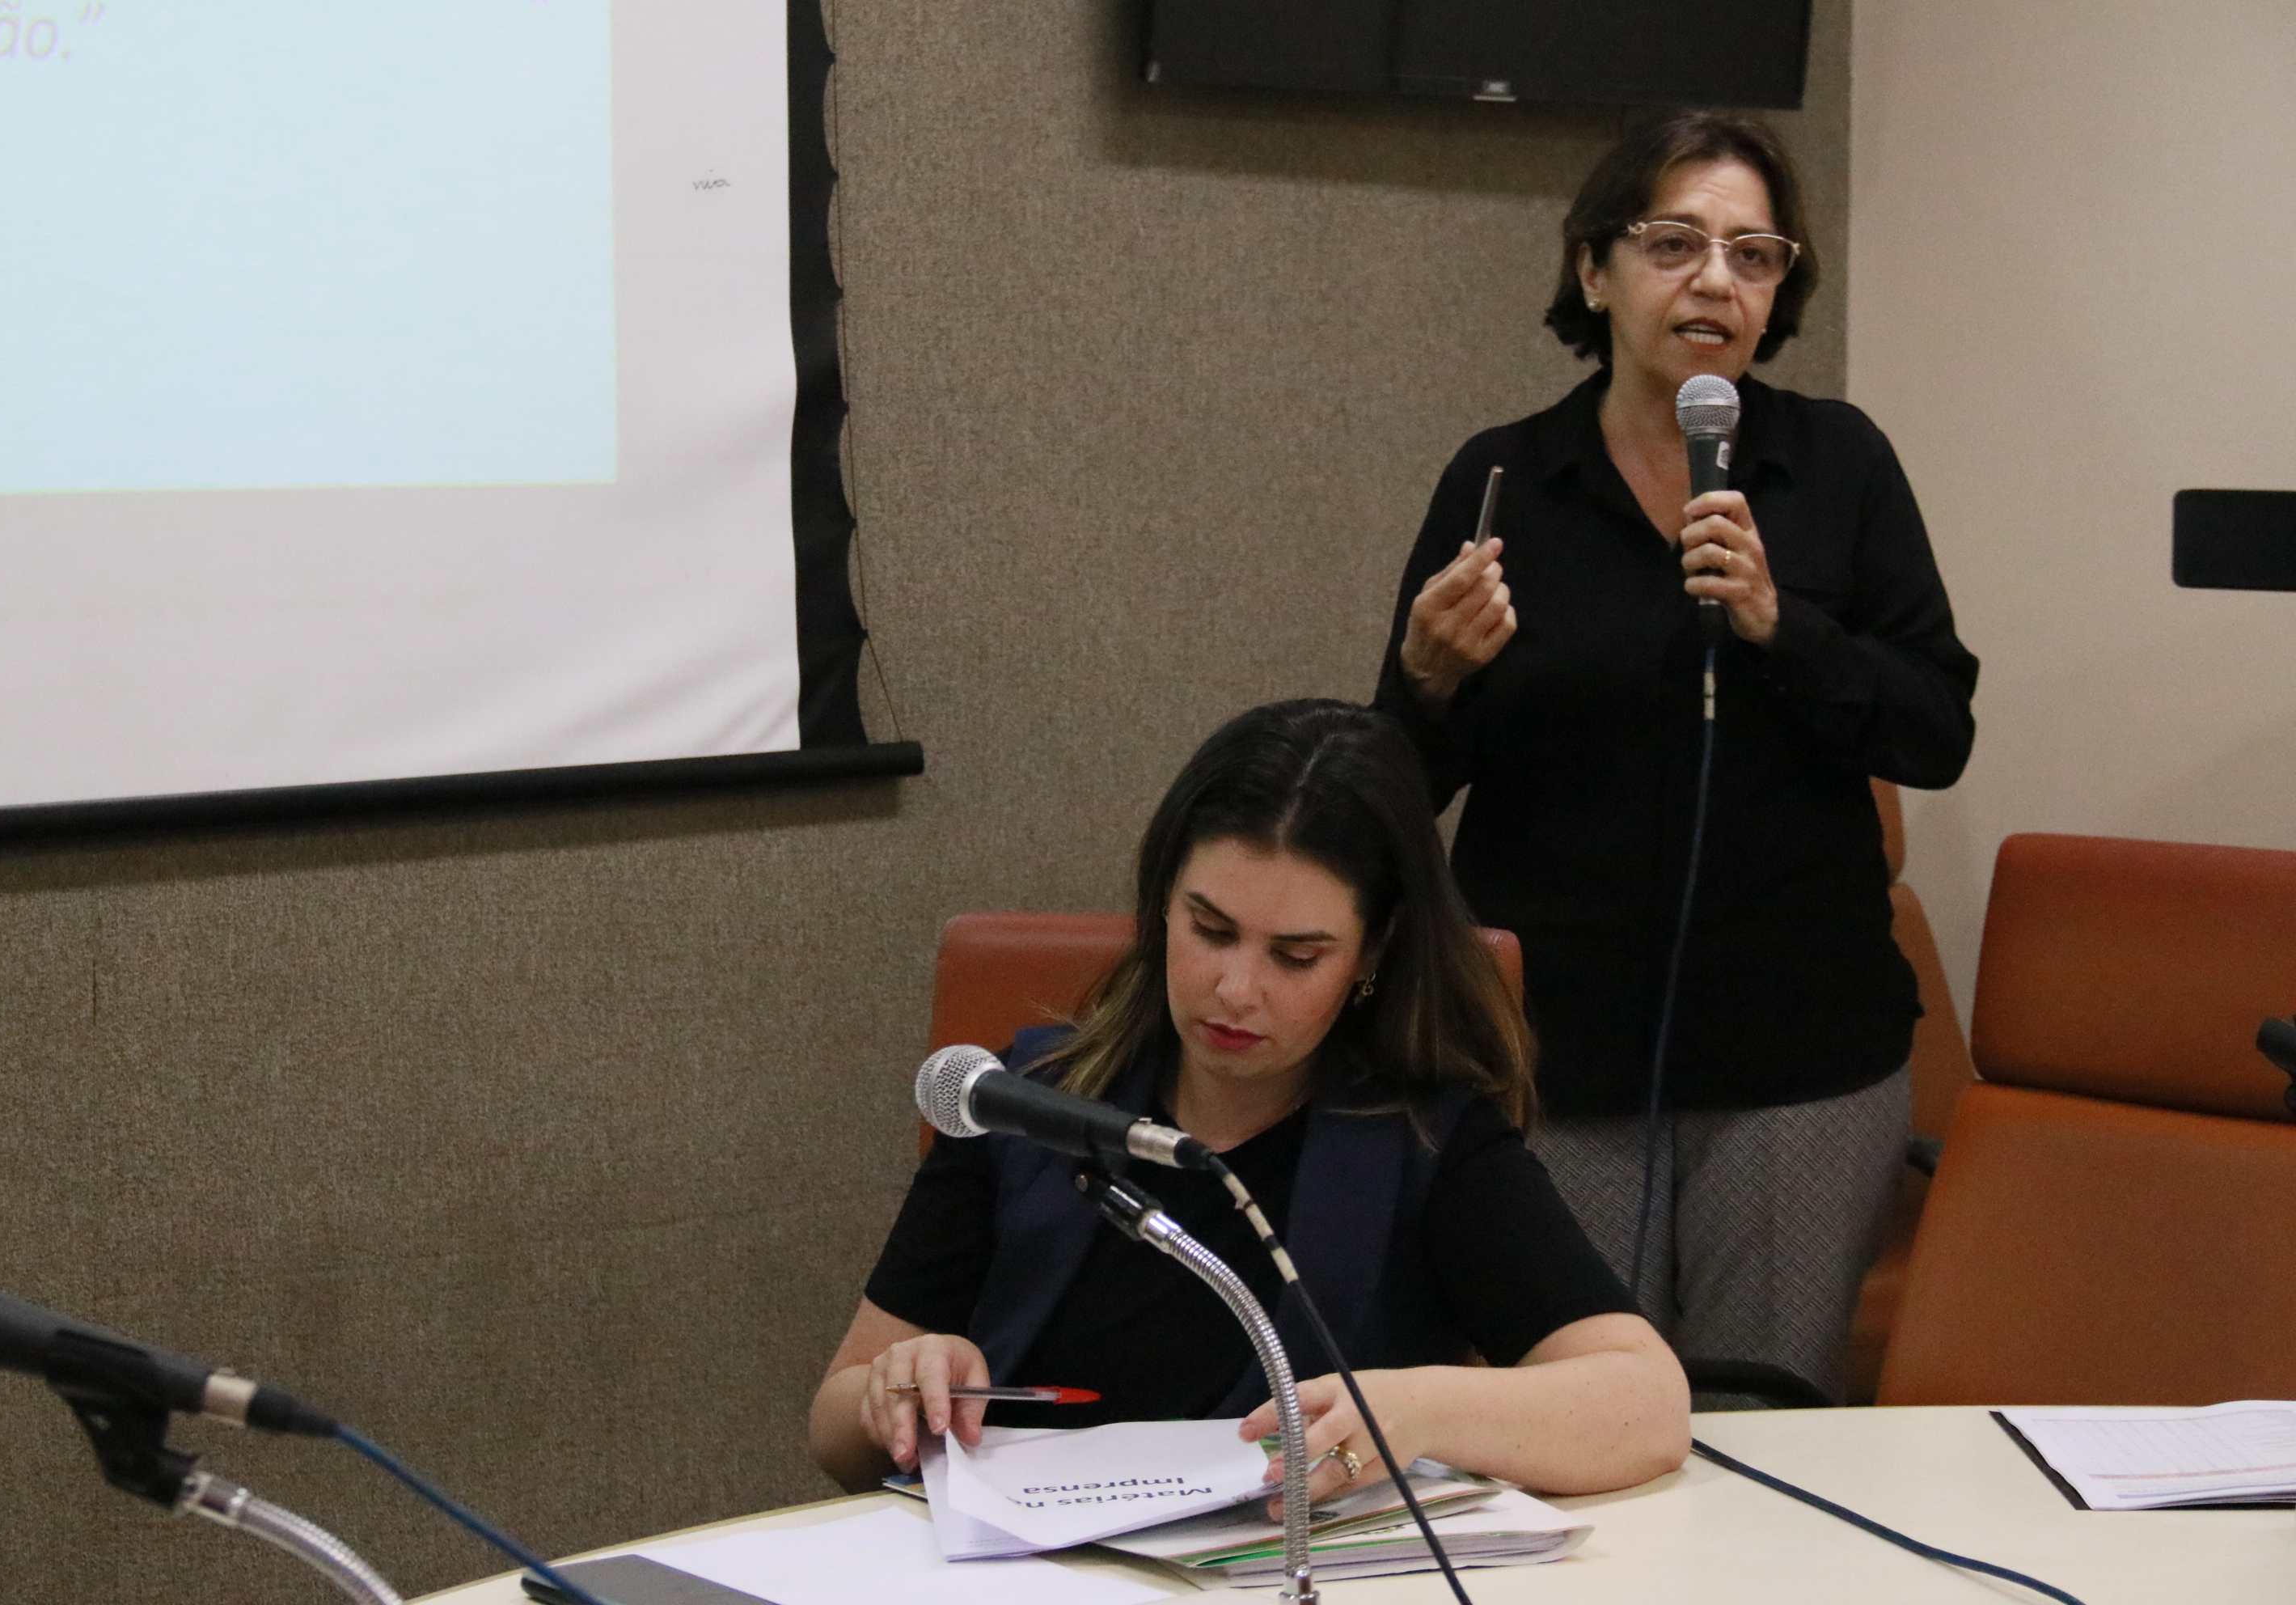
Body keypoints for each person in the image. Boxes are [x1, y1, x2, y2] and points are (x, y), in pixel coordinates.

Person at [1373, 112, 1977, 1404]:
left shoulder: (1837, 465)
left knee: (1769, 1426)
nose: (1716, 280)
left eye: (1754, 255)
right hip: (1557, 1054)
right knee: (1585, 1425)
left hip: (1799, 1064)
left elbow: (1936, 728)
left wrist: (1782, 625)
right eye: (1674, 244)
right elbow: (1397, 786)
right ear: (1595, 272)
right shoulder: (1505, 479)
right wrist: (1428, 676)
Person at [810, 700, 1689, 1504]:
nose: (1236, 990)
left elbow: (1645, 1403)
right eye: (1211, 929)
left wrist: (1419, 1408)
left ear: (1371, 953)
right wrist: (899, 1390)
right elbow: (835, 1430)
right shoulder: (1025, 1105)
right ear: (1163, 904)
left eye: (1296, 957)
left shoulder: (1427, 1143)